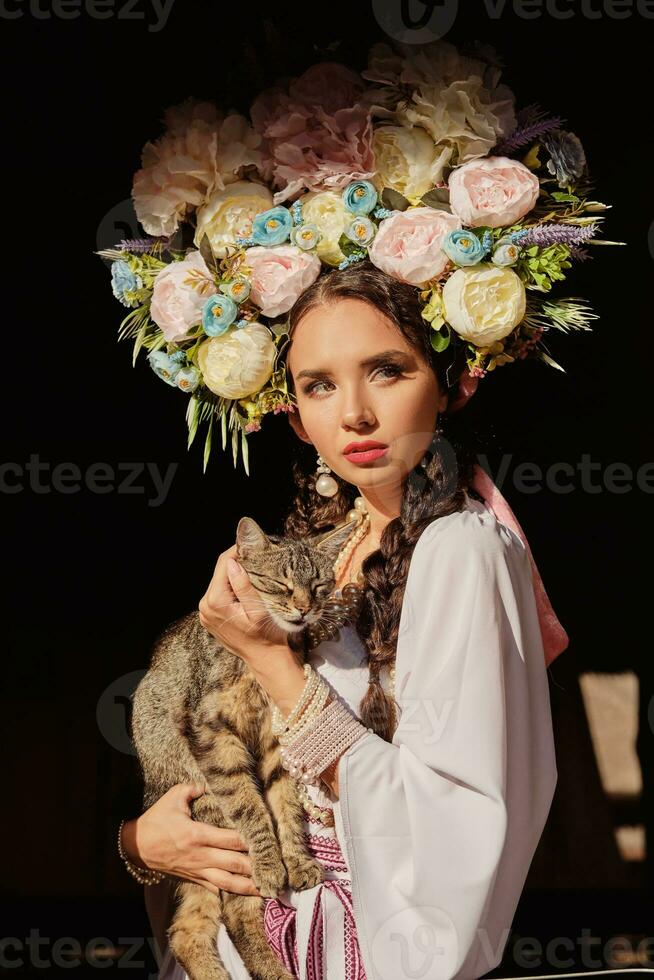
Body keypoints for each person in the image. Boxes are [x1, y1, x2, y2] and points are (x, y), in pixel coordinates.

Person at [119, 260, 567, 980]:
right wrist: (144, 842)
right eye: (319, 385)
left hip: (353, 953)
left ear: (456, 382)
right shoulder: (323, 546)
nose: (354, 412)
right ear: (291, 413)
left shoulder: (461, 549)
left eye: (387, 370)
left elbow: (455, 823)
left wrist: (271, 660)